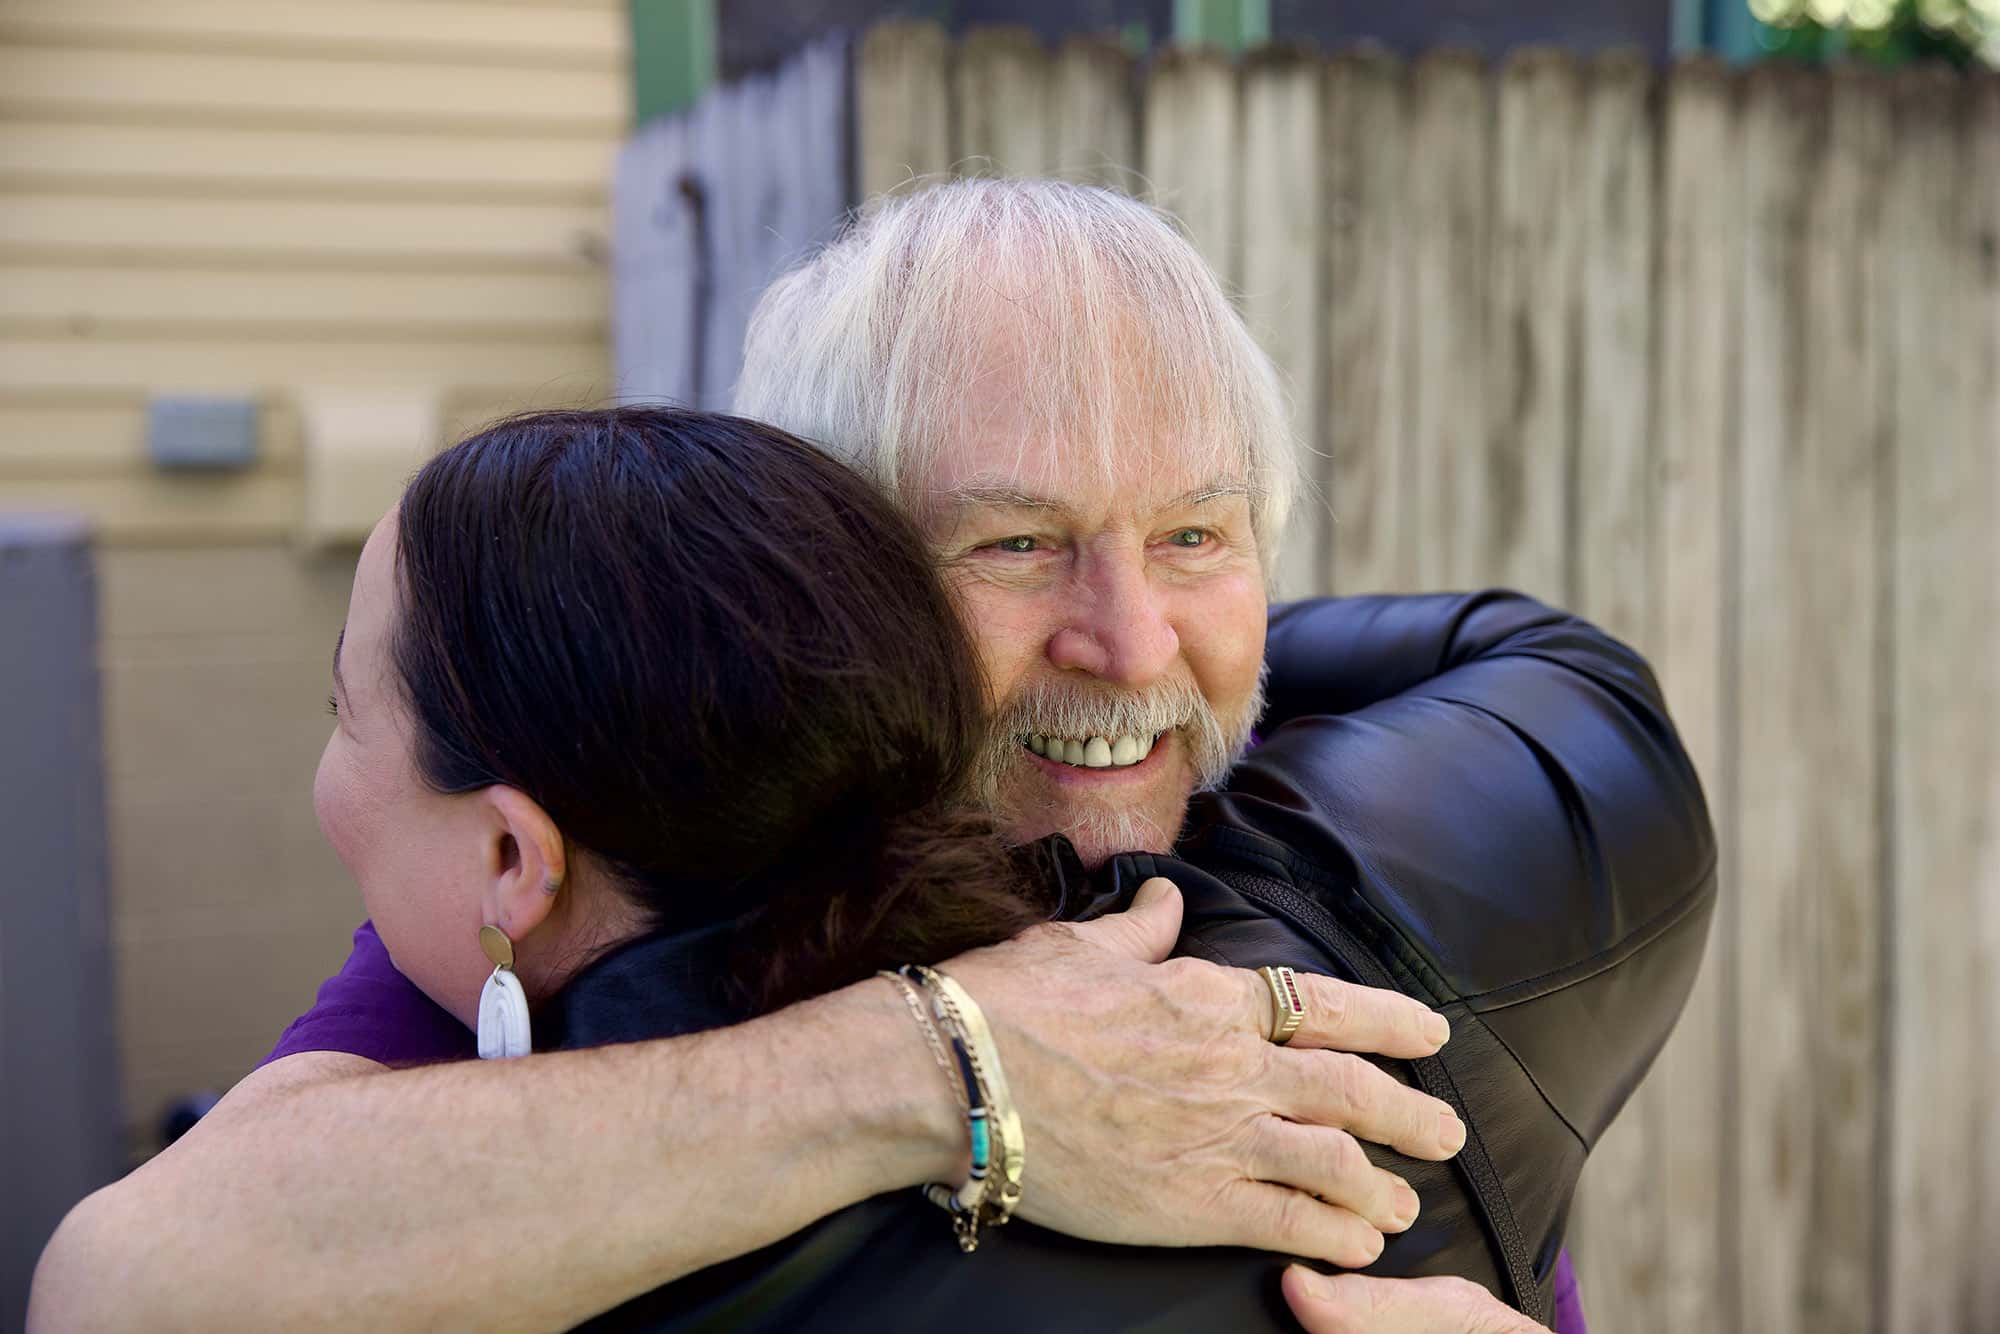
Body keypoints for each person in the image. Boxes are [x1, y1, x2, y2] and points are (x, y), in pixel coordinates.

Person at [30, 178, 1712, 1332]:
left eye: (1197, 536)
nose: (1133, 645)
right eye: (1016, 545)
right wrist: (942, 1070)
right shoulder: (617, 890)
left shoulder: (1350, 839)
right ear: (818, 588)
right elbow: (133, 1286)